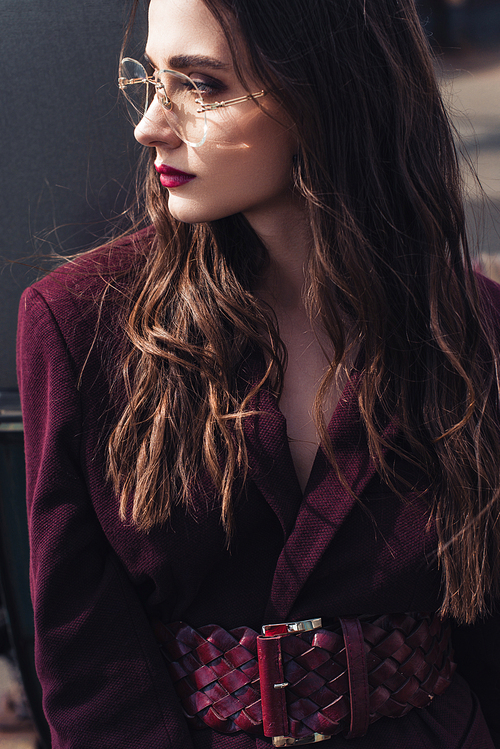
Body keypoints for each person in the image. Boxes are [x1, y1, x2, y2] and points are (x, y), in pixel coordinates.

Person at [16, 0, 500, 747]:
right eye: (150, 79)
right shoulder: (79, 323)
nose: (150, 124)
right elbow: (87, 656)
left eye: (202, 85)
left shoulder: (473, 326)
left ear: (328, 91)